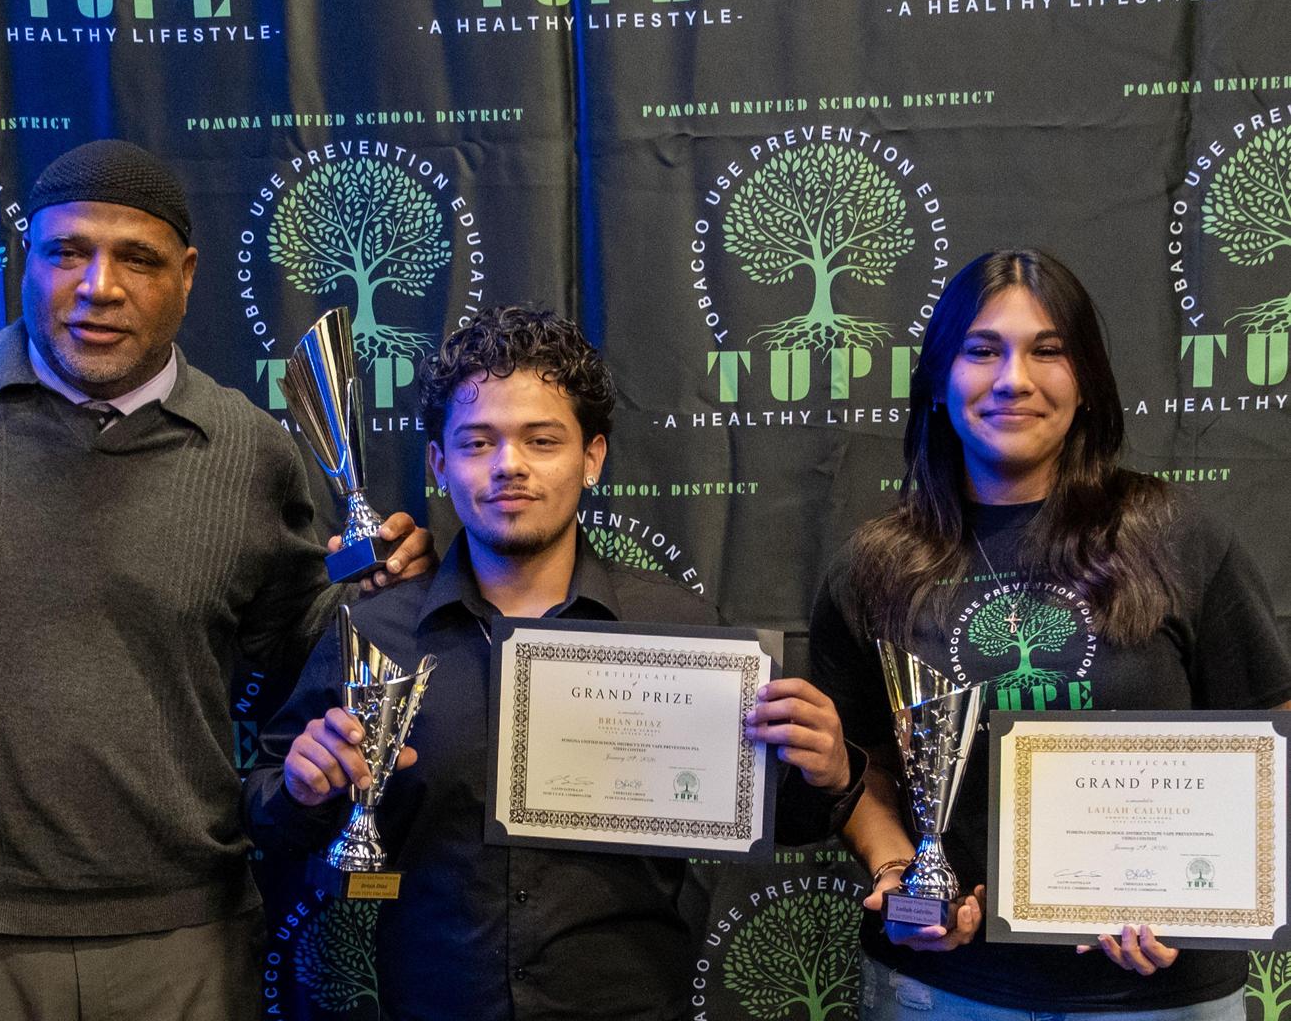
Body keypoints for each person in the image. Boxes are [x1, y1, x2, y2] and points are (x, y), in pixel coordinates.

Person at [0, 139, 433, 1020]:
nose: (98, 287)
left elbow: (302, 651)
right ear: (29, 260)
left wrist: (387, 591)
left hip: (184, 942)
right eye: (68, 252)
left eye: (136, 258)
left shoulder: (249, 448)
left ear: (187, 273)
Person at [243, 305, 866, 1021]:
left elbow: (774, 816)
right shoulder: (373, 632)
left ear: (591, 458)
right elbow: (266, 811)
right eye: (478, 443)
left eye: (542, 440)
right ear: (439, 464)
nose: (510, 465)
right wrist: (301, 788)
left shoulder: (679, 630)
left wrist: (828, 772)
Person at [810, 249, 1291, 1020]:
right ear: (938, 380)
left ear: (1087, 385)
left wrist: (1199, 896)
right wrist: (901, 871)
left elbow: (1272, 736)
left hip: (1162, 997)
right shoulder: (873, 569)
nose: (1014, 380)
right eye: (982, 351)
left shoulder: (1178, 539)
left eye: (1048, 350)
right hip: (944, 989)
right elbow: (858, 765)